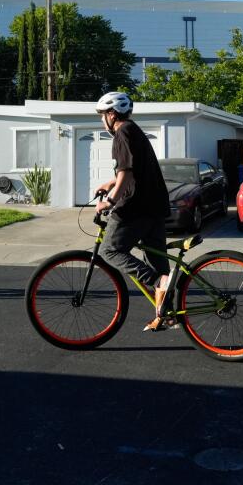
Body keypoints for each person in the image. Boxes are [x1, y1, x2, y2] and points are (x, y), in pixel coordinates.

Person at [92, 91, 173, 331]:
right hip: (156, 205)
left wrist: (110, 200)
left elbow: (126, 173)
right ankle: (165, 314)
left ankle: (157, 281)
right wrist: (111, 182)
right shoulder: (134, 129)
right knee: (158, 261)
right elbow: (131, 170)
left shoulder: (123, 132)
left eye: (102, 116)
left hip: (137, 206)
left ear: (111, 114)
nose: (101, 121)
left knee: (110, 250)